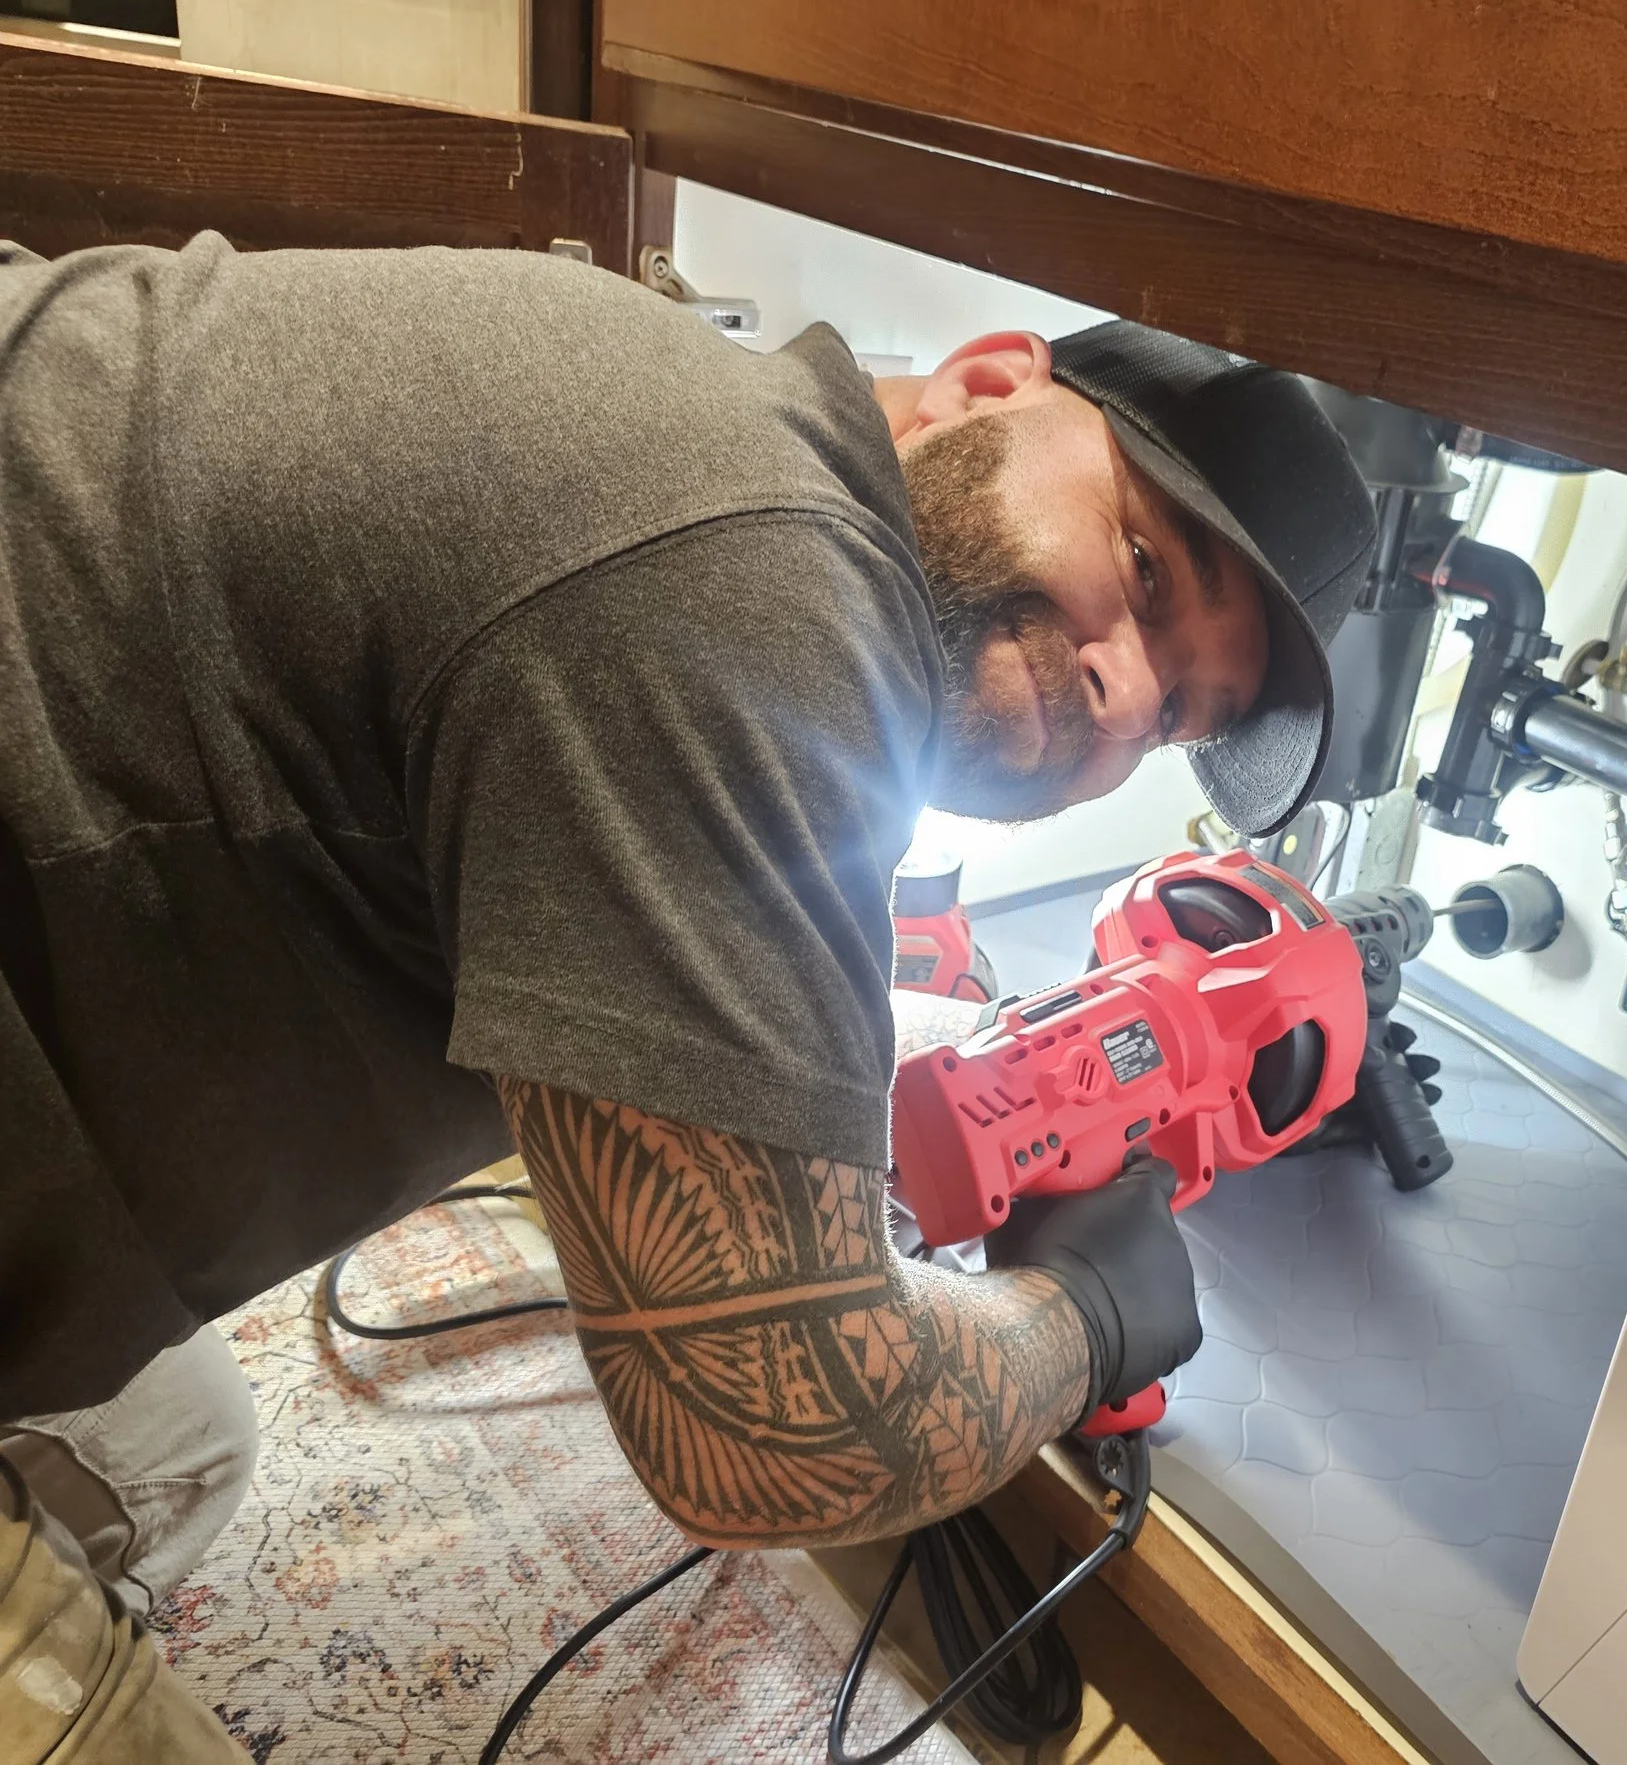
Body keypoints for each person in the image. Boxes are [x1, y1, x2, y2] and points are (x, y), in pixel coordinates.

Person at [0, 232, 1378, 1759]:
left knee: (174, 1448)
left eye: (1177, 709)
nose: (1125, 689)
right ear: (991, 381)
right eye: (1143, 568)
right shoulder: (751, 562)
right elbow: (777, 1434)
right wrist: (1086, 1313)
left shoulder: (698, 447)